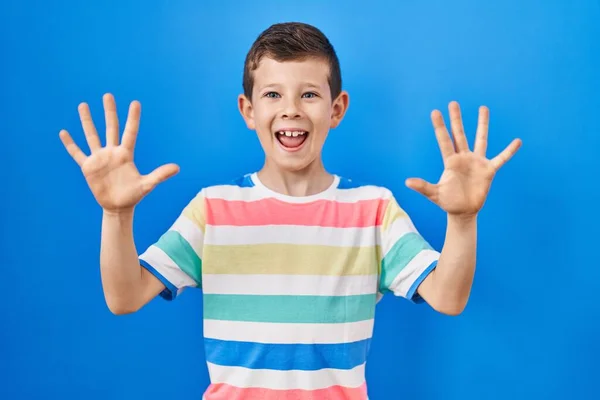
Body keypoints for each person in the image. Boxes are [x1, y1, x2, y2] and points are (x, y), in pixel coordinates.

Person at [59, 21, 521, 400]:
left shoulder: (373, 210)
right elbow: (124, 297)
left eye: (310, 95)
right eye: (273, 94)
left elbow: (448, 296)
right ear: (248, 109)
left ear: (337, 108)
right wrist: (116, 216)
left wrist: (462, 220)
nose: (291, 110)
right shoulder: (213, 209)